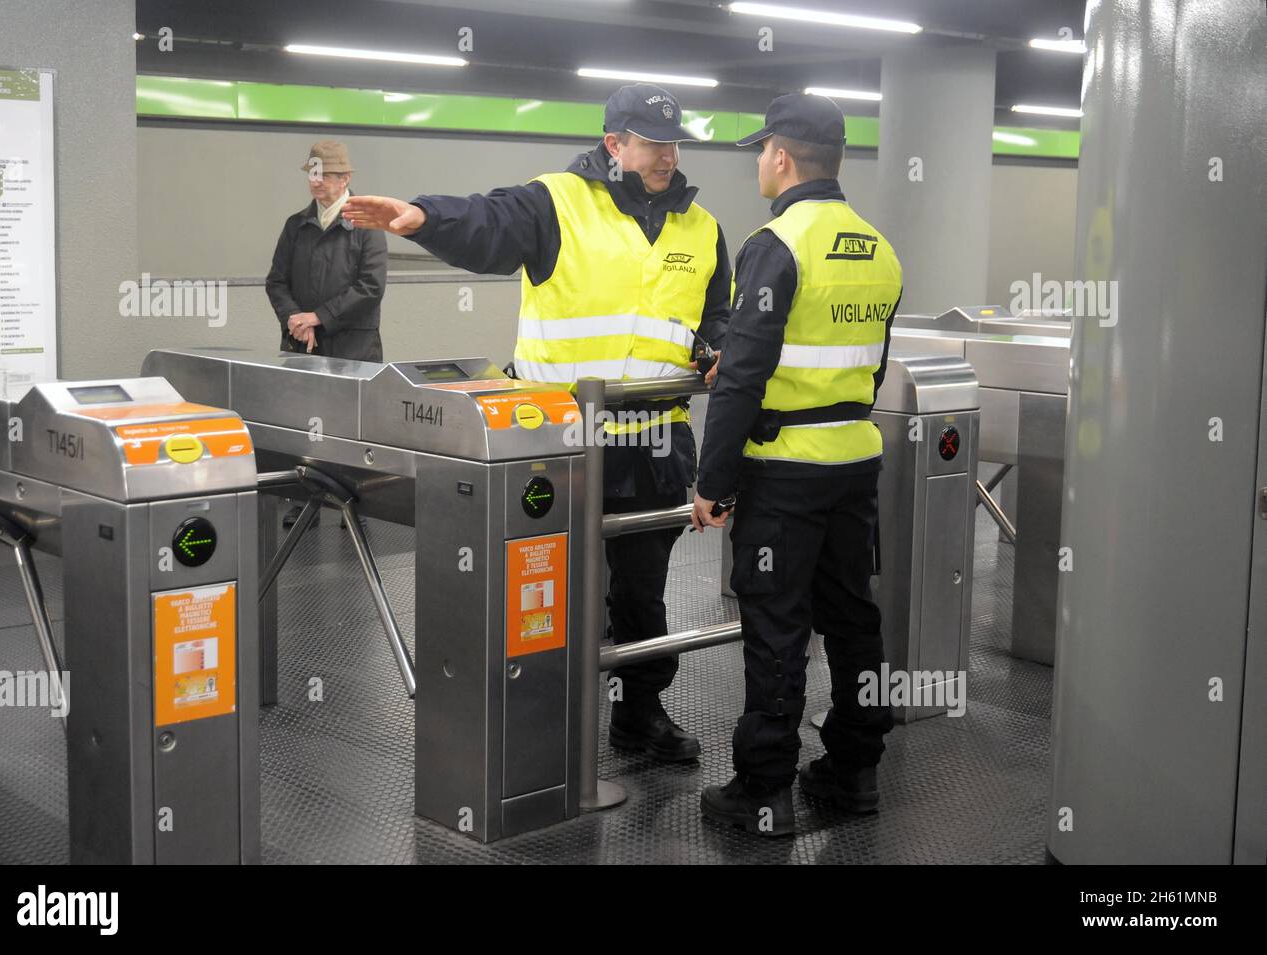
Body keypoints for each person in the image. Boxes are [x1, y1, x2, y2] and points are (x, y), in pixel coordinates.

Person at [343, 85, 731, 761]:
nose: (667, 155)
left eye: (674, 143)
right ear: (614, 144)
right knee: (547, 586)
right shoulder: (557, 201)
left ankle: (639, 712)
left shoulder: (703, 229)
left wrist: (718, 348)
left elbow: (712, 318)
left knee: (642, 591)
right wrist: (420, 217)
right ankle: (542, 715)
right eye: (651, 141)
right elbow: (488, 225)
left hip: (656, 444)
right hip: (562, 443)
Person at [691, 93, 902, 835]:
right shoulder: (879, 247)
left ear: (781, 155)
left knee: (778, 627)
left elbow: (744, 375)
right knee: (853, 618)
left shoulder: (777, 243)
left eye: (761, 150)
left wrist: (713, 482)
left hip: (784, 471)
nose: (758, 162)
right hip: (854, 460)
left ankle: (763, 791)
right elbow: (870, 369)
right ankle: (854, 768)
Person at [267, 139, 388, 527]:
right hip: (304, 346)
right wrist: (294, 319)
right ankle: (304, 500)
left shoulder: (367, 226)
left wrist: (319, 316)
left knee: (351, 425)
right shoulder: (295, 225)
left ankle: (355, 504)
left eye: (327, 175)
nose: (317, 182)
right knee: (304, 423)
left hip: (353, 347)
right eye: (313, 174)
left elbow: (370, 287)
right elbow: (276, 282)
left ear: (346, 177)